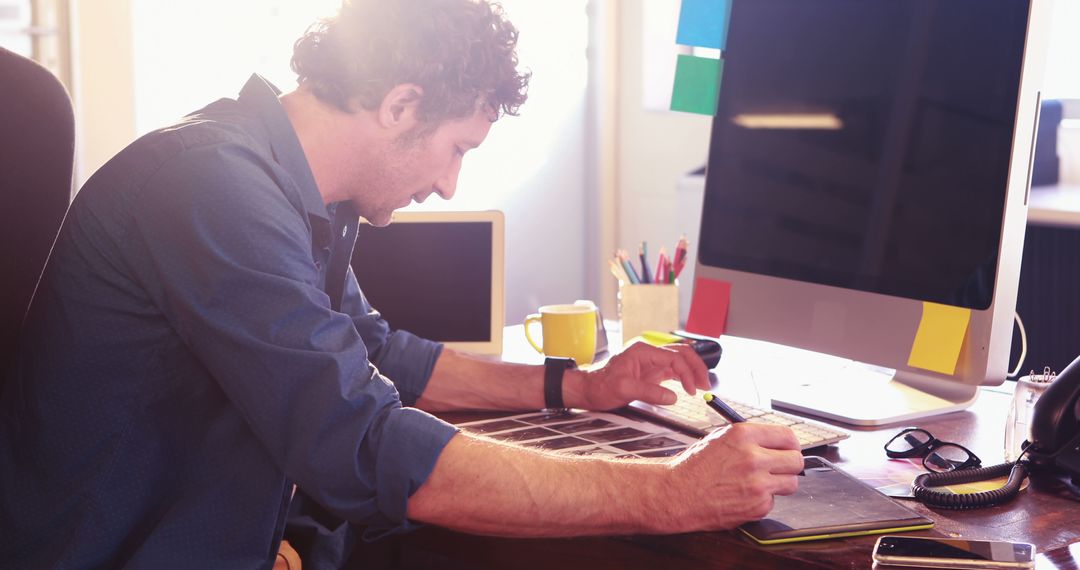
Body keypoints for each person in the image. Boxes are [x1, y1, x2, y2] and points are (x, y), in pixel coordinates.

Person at [0, 0, 803, 567]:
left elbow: (380, 355)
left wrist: (579, 388)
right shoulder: (210, 188)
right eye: (457, 148)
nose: (453, 184)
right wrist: (671, 493)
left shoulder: (282, 185)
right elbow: (365, 441)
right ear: (399, 104)